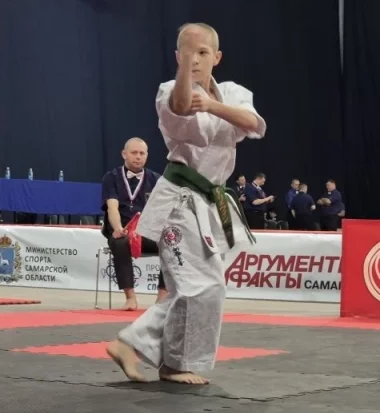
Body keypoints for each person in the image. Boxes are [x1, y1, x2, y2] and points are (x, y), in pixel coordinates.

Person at [106, 22, 266, 385]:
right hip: (178, 202)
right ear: (178, 57)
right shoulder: (169, 91)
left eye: (203, 53)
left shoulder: (232, 92)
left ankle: (134, 347)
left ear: (217, 57)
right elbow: (180, 108)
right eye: (188, 53)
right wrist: (190, 85)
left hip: (210, 203)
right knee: (200, 286)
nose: (195, 60)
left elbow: (254, 124)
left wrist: (211, 104)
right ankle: (171, 363)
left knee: (197, 287)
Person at [101, 137, 168, 310]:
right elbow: (112, 207)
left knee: (171, 244)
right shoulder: (111, 177)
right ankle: (130, 297)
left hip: (146, 232)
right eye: (134, 153)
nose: (138, 157)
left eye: (142, 153)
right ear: (124, 154)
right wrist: (117, 228)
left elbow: (161, 211)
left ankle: (162, 298)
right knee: (120, 242)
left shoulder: (156, 180)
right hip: (122, 230)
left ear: (147, 155)